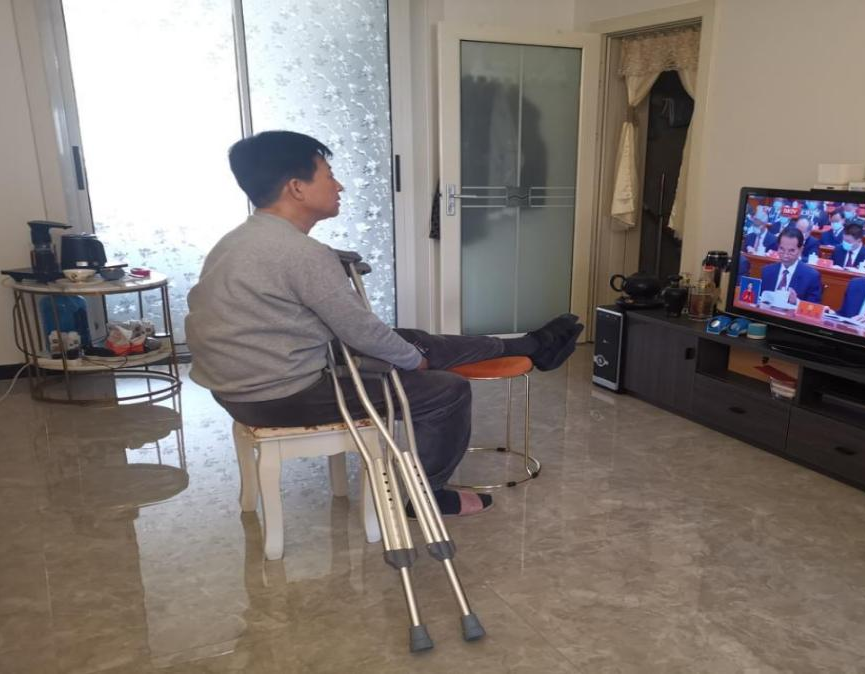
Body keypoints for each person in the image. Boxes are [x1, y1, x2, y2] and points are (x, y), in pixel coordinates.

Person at [186, 131, 583, 517]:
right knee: (446, 390)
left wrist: (406, 350)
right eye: (328, 175)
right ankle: (428, 497)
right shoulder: (301, 253)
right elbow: (361, 331)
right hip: (280, 395)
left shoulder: (239, 240)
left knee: (407, 340)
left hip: (240, 387)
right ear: (296, 188)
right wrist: (415, 362)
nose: (339, 186)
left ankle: (528, 345)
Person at [758, 228, 823, 305]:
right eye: (782, 249)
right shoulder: (767, 271)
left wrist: (796, 302)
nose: (785, 255)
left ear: (800, 250)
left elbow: (813, 307)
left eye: (791, 251)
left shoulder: (811, 276)